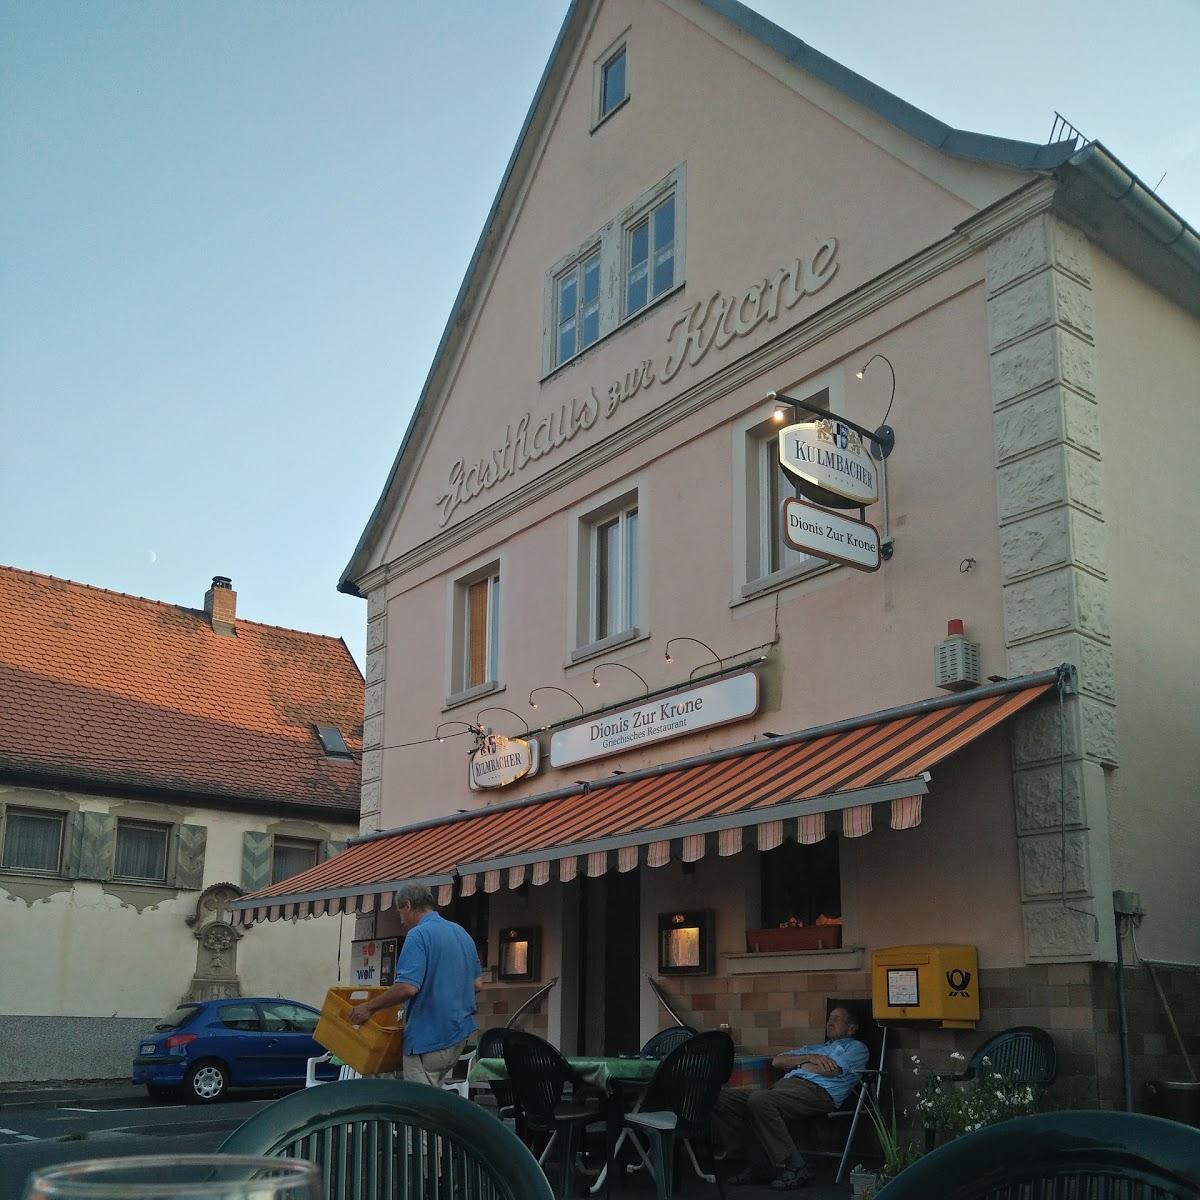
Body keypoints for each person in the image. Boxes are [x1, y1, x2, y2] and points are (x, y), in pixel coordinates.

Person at [712, 1006, 869, 1190]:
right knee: (719, 1097)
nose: (830, 1022)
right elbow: (777, 1061)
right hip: (783, 1089)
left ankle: (796, 1164)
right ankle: (758, 1161)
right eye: (829, 1018)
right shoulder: (815, 1049)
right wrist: (808, 1058)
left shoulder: (857, 1048)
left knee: (760, 1100)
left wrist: (801, 1065)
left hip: (818, 1093)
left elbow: (829, 1070)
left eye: (836, 1019)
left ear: (851, 1028)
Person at [349, 883, 484, 1087]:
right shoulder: (461, 933)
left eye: (400, 912)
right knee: (436, 1099)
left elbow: (407, 987)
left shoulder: (418, 934)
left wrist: (368, 1007)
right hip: (458, 1035)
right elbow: (478, 984)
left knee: (419, 1107)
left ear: (408, 905)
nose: (401, 919)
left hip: (427, 1037)